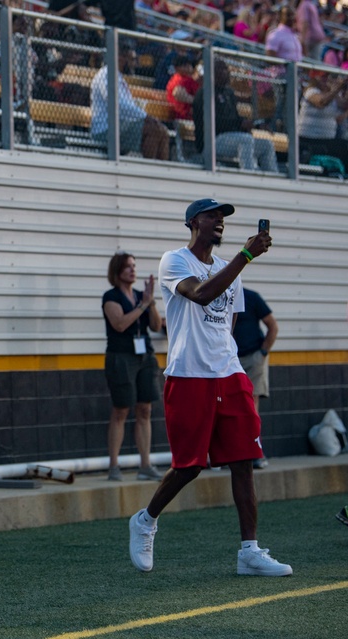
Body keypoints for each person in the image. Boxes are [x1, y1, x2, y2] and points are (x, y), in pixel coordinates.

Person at [127, 197, 292, 578]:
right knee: (189, 466)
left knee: (243, 460)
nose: (219, 221)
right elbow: (200, 294)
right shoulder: (175, 260)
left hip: (229, 372)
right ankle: (145, 520)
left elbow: (227, 326)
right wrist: (245, 256)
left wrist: (226, 360)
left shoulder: (230, 268)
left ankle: (249, 551)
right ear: (192, 222)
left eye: (223, 217)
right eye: (212, 215)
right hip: (188, 374)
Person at [102, 252, 163, 482]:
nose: (133, 270)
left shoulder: (141, 296)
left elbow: (156, 326)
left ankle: (145, 465)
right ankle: (114, 465)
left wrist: (151, 303)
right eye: (128, 266)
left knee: (145, 409)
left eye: (134, 266)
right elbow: (119, 324)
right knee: (121, 410)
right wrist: (142, 306)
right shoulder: (111, 297)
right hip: (121, 357)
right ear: (117, 271)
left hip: (145, 357)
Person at [193, 60, 279, 173]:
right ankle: (249, 174)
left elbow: (237, 119)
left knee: (266, 145)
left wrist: (257, 125)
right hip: (212, 141)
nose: (225, 72)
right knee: (246, 140)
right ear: (212, 72)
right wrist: (240, 124)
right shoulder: (205, 93)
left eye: (225, 69)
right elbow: (214, 122)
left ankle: (272, 179)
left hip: (232, 139)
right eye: (221, 69)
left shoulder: (228, 93)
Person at [90, 44, 170, 160]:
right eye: (132, 59)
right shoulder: (106, 75)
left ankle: (163, 173)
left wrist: (147, 118)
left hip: (119, 125)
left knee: (163, 131)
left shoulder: (119, 78)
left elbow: (128, 107)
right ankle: (150, 171)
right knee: (153, 130)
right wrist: (145, 117)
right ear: (120, 58)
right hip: (104, 130)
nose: (135, 64)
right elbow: (119, 105)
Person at [233, 288, 278, 470]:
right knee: (231, 407)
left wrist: (263, 352)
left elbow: (272, 326)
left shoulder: (251, 297)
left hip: (253, 357)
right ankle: (235, 453)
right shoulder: (218, 297)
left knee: (251, 406)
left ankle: (256, 453)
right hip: (230, 359)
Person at [297, 71, 348, 171]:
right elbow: (322, 102)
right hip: (308, 138)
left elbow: (342, 110)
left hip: (328, 139)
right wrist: (336, 89)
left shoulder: (334, 96)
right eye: (323, 77)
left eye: (329, 77)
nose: (327, 80)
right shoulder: (311, 91)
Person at [165, 54, 199, 121]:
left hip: (184, 114)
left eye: (189, 65)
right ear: (177, 68)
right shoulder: (180, 80)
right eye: (185, 66)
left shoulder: (185, 78)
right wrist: (197, 101)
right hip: (184, 115)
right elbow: (177, 93)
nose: (189, 67)